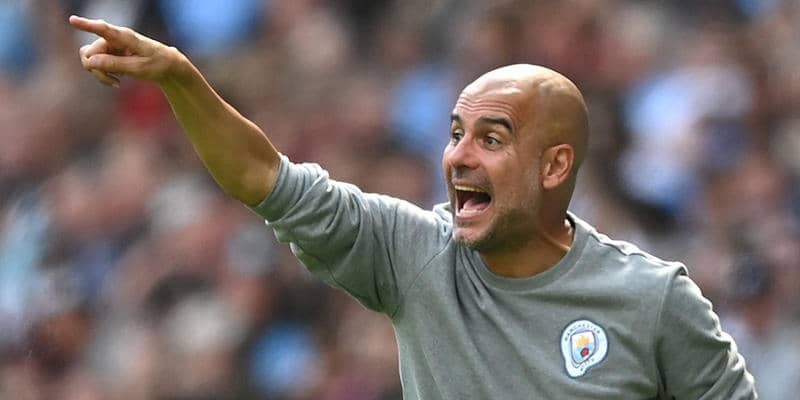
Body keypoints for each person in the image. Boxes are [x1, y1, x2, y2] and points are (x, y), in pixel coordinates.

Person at [69, 15, 758, 399]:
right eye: (456, 134)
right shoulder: (415, 255)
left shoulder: (653, 300)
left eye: (492, 139)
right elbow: (262, 177)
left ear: (555, 166)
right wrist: (180, 78)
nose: (458, 157)